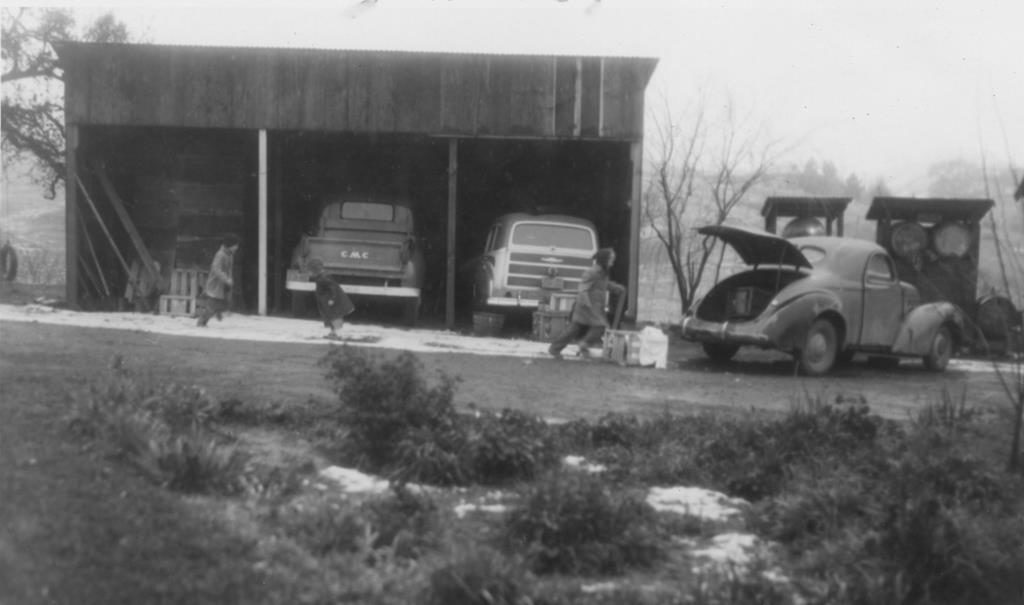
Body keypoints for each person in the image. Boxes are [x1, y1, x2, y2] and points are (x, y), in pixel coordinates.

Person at [548, 247, 626, 360]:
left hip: (592, 306)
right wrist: (587, 304)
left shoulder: (602, 273)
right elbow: (583, 289)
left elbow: (602, 285)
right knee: (601, 326)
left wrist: (616, 287)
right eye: (611, 259)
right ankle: (583, 345)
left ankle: (555, 349)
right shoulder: (592, 272)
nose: (612, 262)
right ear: (605, 260)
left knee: (574, 329)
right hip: (587, 305)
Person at [196, 234, 240, 327]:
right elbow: (216, 269)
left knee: (226, 302)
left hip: (224, 283)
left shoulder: (230, 255)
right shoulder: (220, 254)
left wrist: (229, 279)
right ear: (230, 245)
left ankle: (217, 311)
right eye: (235, 245)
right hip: (217, 283)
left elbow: (229, 269)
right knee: (213, 304)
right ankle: (201, 322)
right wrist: (226, 278)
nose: (237, 247)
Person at [308, 257, 355, 340]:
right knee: (331, 317)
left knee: (335, 317)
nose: (309, 273)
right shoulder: (321, 277)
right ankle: (333, 333)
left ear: (315, 270)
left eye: (310, 271)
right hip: (327, 302)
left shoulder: (323, 278)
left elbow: (333, 288)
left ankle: (337, 333)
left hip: (331, 302)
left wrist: (332, 299)